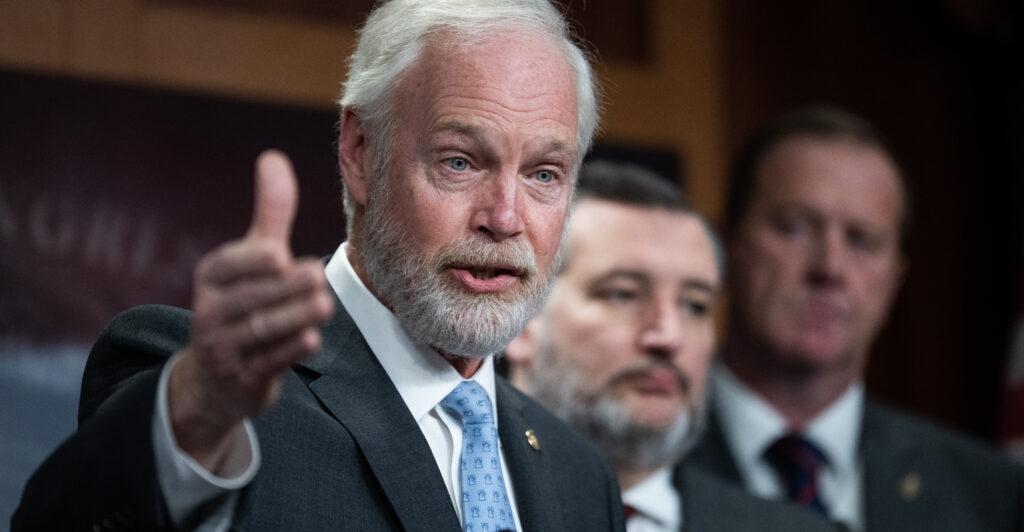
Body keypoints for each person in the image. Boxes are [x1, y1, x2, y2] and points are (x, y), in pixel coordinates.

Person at [11, 1, 626, 530]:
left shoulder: (579, 477)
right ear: (360, 152)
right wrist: (195, 412)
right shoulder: (212, 394)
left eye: (544, 174)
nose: (506, 217)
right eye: (460, 162)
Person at [687, 104, 1024, 531]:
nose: (830, 268)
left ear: (894, 280)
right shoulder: (628, 462)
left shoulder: (993, 495)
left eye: (862, 240)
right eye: (794, 227)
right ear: (724, 248)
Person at [505, 160, 838, 532]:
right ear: (519, 321)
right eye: (623, 295)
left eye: (694, 305)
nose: (668, 335)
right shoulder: (448, 504)